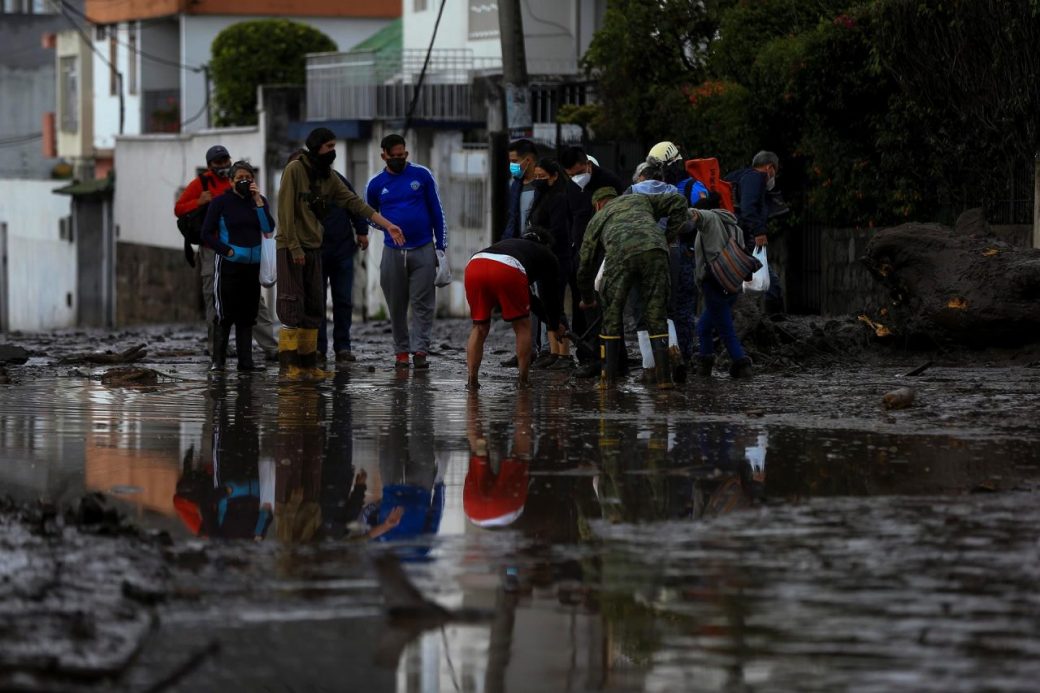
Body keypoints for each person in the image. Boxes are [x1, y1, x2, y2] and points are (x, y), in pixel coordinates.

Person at [277, 128, 404, 380]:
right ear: (316, 148)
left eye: (334, 146)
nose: (332, 151)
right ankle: (290, 367)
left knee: (315, 306)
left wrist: (386, 224)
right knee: (292, 305)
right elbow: (285, 211)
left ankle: (309, 364)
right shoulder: (295, 170)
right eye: (328, 146)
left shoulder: (329, 176)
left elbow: (354, 203)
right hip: (292, 248)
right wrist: (294, 247)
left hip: (316, 248)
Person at [576, 187, 692, 389]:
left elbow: (585, 262)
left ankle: (608, 381)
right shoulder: (640, 199)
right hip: (655, 250)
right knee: (656, 314)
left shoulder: (598, 218)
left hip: (620, 255)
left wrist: (587, 298)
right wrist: (668, 235)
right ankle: (664, 379)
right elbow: (679, 201)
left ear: (597, 204)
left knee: (612, 315)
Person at [175, 145, 279, 363]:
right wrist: (199, 201)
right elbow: (179, 208)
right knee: (216, 298)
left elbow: (268, 226)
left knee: (254, 302)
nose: (223, 166)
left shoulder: (250, 193)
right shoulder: (202, 184)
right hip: (214, 250)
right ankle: (217, 349)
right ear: (210, 165)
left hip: (246, 254)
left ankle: (269, 346)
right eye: (218, 163)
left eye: (225, 161)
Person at [364, 133, 448, 370]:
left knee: (424, 304)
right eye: (394, 156)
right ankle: (401, 352)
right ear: (384, 156)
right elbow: (368, 215)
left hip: (423, 248)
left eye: (403, 155)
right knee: (397, 305)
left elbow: (437, 212)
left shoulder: (422, 175)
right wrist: (387, 228)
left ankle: (420, 350)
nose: (399, 159)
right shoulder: (375, 184)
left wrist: (440, 249)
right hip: (392, 252)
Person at [464, 228, 564, 389]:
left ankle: (472, 381)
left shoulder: (512, 245)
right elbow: (550, 297)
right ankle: (523, 381)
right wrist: (554, 324)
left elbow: (530, 299)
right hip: (508, 268)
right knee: (522, 326)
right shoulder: (546, 254)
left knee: (479, 327)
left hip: (475, 264)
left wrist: (552, 322)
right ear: (546, 244)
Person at [199, 160, 273, 372]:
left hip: (252, 266)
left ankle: (245, 362)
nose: (244, 181)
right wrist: (227, 251)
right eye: (239, 177)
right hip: (228, 265)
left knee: (248, 315)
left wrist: (258, 201)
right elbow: (206, 233)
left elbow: (268, 228)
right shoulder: (221, 203)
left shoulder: (259, 201)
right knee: (224, 314)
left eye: (248, 177)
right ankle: (218, 362)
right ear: (230, 181)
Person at [560, 146, 626, 377]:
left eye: (578, 172)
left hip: (606, 251)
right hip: (581, 251)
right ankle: (589, 355)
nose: (575, 177)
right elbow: (570, 217)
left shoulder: (609, 181)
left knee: (606, 305)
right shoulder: (570, 186)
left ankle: (613, 358)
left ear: (587, 164)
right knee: (583, 305)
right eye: (570, 174)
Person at [691, 207, 754, 378]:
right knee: (704, 326)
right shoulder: (736, 227)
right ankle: (704, 365)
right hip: (732, 282)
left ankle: (742, 365)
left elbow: (691, 213)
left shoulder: (708, 220)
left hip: (713, 282)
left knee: (726, 329)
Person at [526, 158, 574, 370]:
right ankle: (554, 351)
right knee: (546, 304)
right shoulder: (541, 196)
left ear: (554, 176)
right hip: (542, 257)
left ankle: (564, 354)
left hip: (556, 258)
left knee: (555, 304)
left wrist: (539, 238)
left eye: (541, 177)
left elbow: (559, 230)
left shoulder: (559, 198)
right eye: (535, 177)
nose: (538, 180)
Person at [725, 150, 784, 313]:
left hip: (735, 237)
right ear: (770, 168)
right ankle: (778, 323)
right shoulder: (756, 178)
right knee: (771, 283)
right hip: (746, 237)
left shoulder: (741, 176)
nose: (774, 176)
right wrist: (759, 232)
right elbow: (748, 208)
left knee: (736, 282)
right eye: (775, 171)